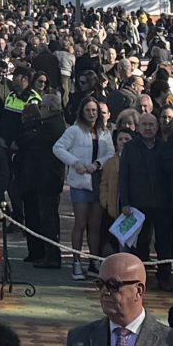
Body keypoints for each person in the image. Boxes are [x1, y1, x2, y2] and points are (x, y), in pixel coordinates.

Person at [54, 96, 116, 278]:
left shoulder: (104, 132)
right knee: (80, 223)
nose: (91, 114)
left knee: (95, 224)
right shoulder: (74, 131)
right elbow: (58, 148)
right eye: (88, 110)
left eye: (94, 111)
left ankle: (93, 261)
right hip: (80, 182)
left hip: (98, 181)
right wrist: (75, 163)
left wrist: (98, 163)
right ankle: (76, 261)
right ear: (82, 112)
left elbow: (110, 153)